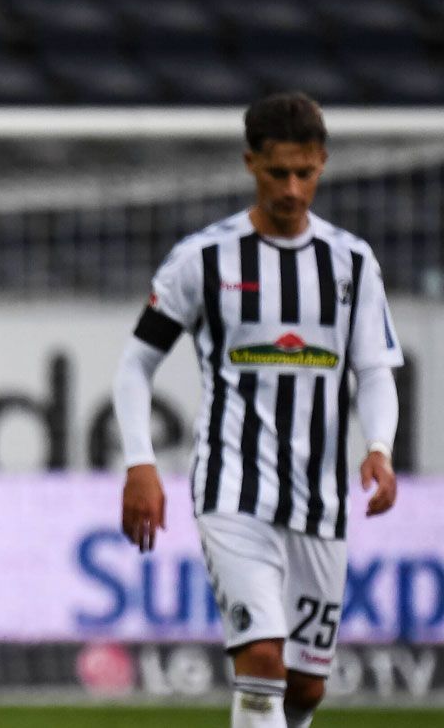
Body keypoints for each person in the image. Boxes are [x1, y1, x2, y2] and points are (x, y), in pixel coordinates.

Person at [113, 92, 404, 728]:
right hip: (231, 490)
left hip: (320, 502)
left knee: (304, 688)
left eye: (306, 173)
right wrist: (140, 463)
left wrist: (379, 448)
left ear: (323, 163)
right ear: (251, 164)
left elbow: (375, 372)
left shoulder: (352, 264)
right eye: (278, 172)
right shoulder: (204, 259)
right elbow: (137, 364)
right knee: (263, 661)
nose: (293, 189)